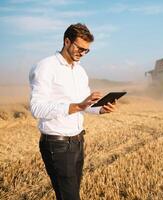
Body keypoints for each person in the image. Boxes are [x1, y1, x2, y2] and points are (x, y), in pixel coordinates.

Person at [29, 23, 116, 200]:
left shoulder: (80, 71)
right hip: (57, 144)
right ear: (66, 41)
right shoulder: (45, 67)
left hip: (77, 141)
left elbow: (86, 104)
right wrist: (77, 106)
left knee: (72, 194)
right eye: (80, 48)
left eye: (86, 51)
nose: (82, 53)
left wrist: (101, 109)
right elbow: (36, 108)